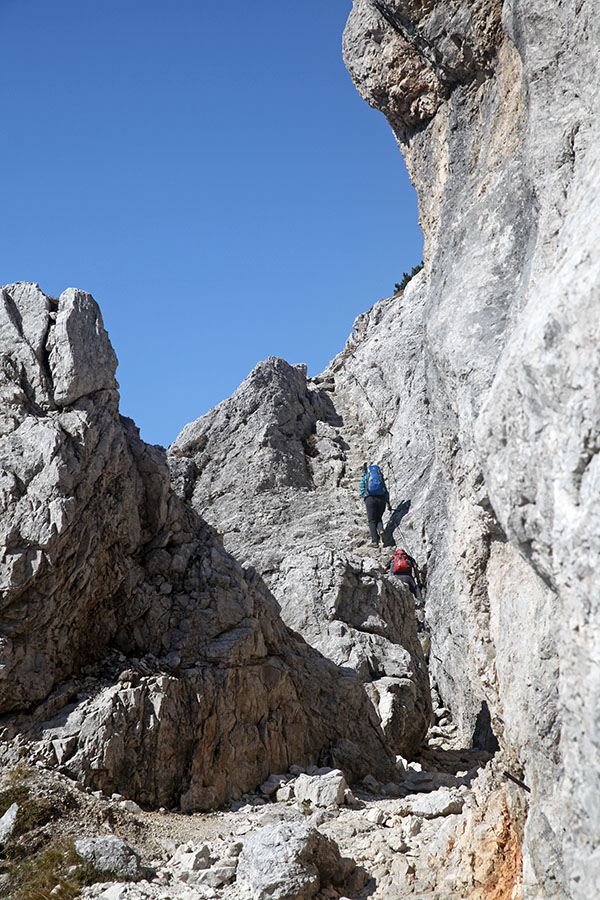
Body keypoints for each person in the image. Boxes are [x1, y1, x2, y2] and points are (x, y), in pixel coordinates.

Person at [360, 463, 391, 546]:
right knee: (378, 517)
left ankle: (375, 541)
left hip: (370, 499)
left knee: (372, 520)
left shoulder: (365, 478)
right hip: (382, 499)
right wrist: (388, 502)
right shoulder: (380, 477)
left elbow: (362, 490)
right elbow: (385, 490)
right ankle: (381, 529)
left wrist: (364, 498)